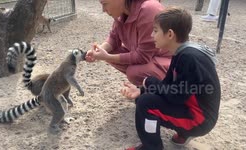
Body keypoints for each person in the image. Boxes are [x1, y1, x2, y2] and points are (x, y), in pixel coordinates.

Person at [120, 7, 221, 150]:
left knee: (145, 104)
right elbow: (167, 86)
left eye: (155, 30)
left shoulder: (188, 58)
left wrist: (149, 82)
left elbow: (176, 96)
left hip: (199, 120)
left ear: (170, 34)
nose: (151, 35)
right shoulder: (182, 53)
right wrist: (141, 91)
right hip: (197, 112)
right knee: (144, 97)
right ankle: (183, 132)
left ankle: (152, 147)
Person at [86, 0, 171, 86]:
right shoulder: (123, 12)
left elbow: (143, 56)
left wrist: (108, 57)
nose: (103, 10)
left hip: (170, 62)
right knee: (110, 51)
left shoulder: (149, 9)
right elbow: (114, 38)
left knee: (134, 72)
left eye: (104, 4)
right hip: (151, 59)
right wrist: (98, 51)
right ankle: (145, 85)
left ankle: (165, 86)